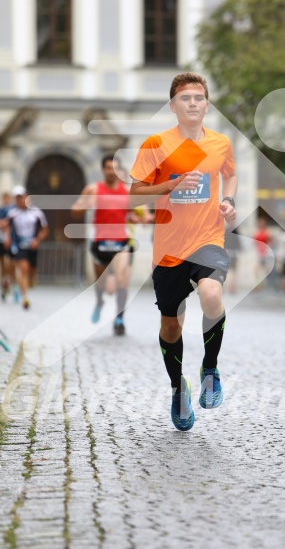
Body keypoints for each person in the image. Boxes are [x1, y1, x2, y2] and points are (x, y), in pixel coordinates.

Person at [130, 72, 237, 431]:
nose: (193, 103)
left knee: (211, 294)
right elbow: (135, 191)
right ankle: (179, 389)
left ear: (207, 105)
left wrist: (227, 199)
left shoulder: (221, 143)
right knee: (172, 326)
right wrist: (172, 184)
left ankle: (210, 369)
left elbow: (230, 175)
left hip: (209, 240)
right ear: (173, 105)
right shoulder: (156, 143)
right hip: (169, 249)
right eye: (185, 98)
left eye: (199, 98)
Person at [71, 154, 142, 336]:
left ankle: (119, 319)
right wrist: (86, 204)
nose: (112, 172)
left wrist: (135, 217)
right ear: (103, 170)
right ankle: (100, 301)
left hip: (121, 242)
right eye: (108, 168)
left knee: (121, 279)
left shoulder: (126, 191)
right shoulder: (93, 189)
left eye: (115, 168)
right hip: (100, 242)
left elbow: (132, 213)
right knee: (102, 284)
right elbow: (75, 211)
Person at [3, 186, 48, 309]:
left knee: (32, 271)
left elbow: (44, 229)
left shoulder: (37, 212)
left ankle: (32, 279)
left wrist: (37, 240)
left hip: (32, 245)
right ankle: (25, 297)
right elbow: (7, 225)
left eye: (22, 198)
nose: (20, 201)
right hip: (20, 245)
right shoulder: (13, 213)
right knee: (23, 269)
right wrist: (8, 238)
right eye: (18, 198)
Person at [253, 217, 272, 286]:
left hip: (265, 252)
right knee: (257, 268)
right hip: (259, 252)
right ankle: (258, 283)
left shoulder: (267, 232)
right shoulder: (257, 232)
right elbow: (254, 241)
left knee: (266, 268)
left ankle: (266, 283)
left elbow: (270, 241)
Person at [224, 223, 241, 293]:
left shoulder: (225, 230)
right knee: (233, 271)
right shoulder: (235, 230)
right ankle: (231, 287)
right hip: (233, 253)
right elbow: (238, 242)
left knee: (226, 271)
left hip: (226, 252)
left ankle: (227, 287)